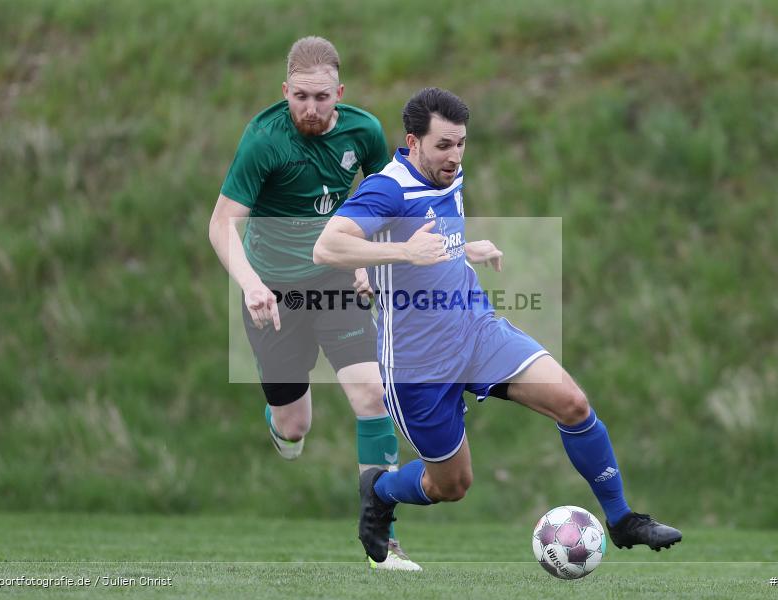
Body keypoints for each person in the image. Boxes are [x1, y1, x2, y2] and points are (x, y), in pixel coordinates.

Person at [313, 87, 682, 563]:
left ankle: (622, 519)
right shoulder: (387, 188)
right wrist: (402, 253)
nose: (454, 155)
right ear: (413, 141)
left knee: (572, 402)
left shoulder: (450, 174)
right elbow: (327, 247)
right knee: (452, 485)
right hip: (416, 364)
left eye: (461, 143)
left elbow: (427, 231)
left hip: (476, 331)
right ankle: (381, 490)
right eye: (443, 145)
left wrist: (462, 248)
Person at [208, 36, 420, 571]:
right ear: (285, 91)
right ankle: (280, 421)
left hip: (334, 283)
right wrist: (252, 285)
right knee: (295, 425)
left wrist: (367, 262)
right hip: (274, 295)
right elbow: (220, 224)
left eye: (321, 97)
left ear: (339, 93)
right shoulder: (264, 141)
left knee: (372, 394)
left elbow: (384, 202)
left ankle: (383, 538)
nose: (310, 108)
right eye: (299, 96)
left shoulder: (364, 130)